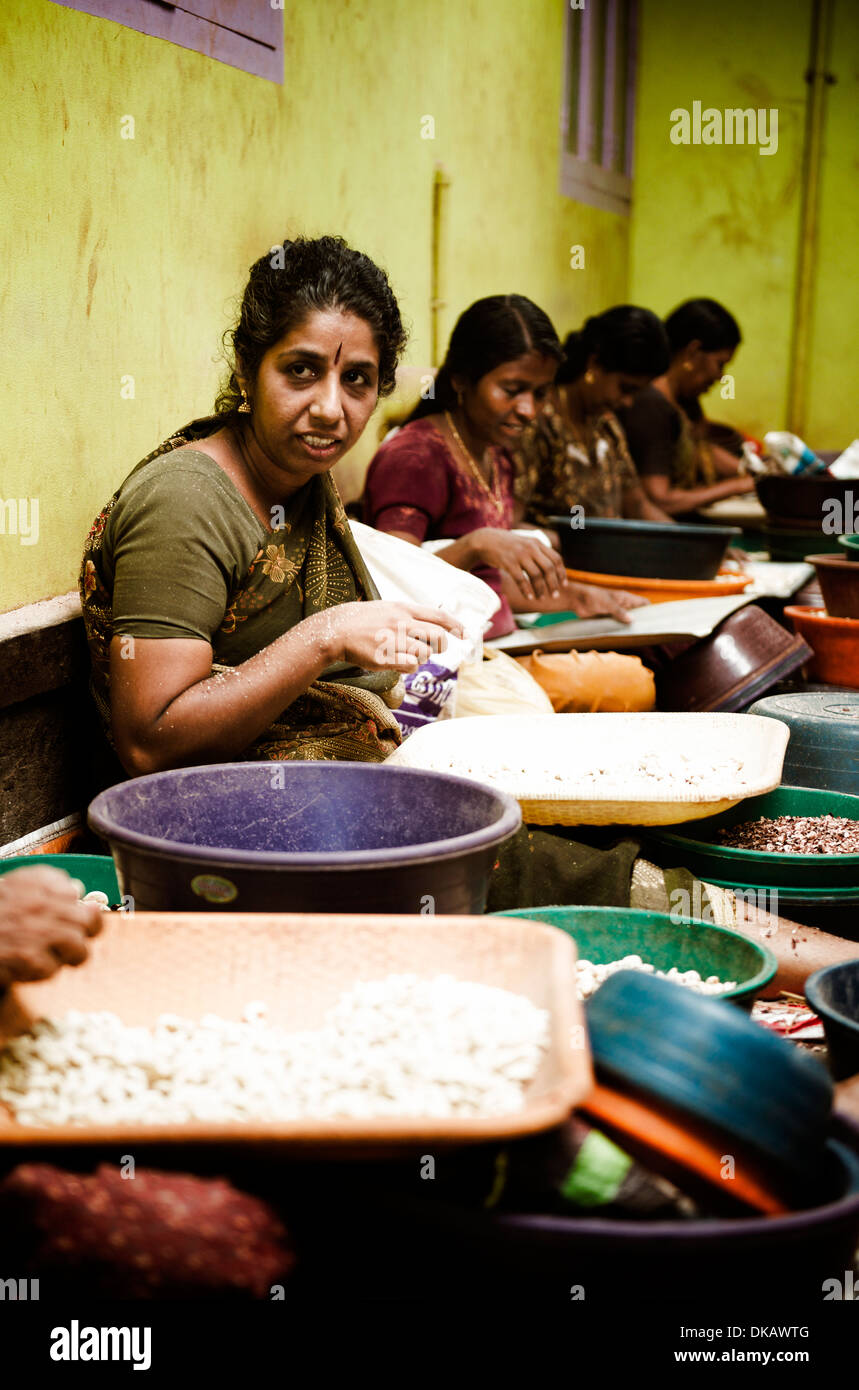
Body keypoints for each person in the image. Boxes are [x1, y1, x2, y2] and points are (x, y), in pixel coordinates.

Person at [79, 238, 462, 776]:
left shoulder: (299, 476)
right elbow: (151, 745)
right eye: (301, 370)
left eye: (356, 378)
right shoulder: (187, 503)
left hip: (338, 779)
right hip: (220, 821)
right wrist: (325, 638)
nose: (330, 409)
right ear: (246, 369)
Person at [362, 296, 645, 639]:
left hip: (498, 646)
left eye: (541, 394)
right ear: (462, 380)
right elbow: (389, 582)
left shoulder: (498, 456)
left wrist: (578, 597)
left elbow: (488, 586)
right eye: (511, 390)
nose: (528, 410)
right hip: (442, 670)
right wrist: (475, 545)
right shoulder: (415, 457)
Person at [515, 306, 674, 526]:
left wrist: (697, 547)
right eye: (625, 388)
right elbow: (511, 521)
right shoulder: (541, 421)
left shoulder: (606, 426)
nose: (628, 402)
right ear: (594, 364)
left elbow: (637, 505)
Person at [619, 298, 756, 517]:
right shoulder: (651, 406)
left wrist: (752, 472)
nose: (720, 377)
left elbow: (701, 450)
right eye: (720, 364)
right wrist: (737, 486)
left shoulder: (684, 401)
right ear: (693, 352)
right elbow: (659, 500)